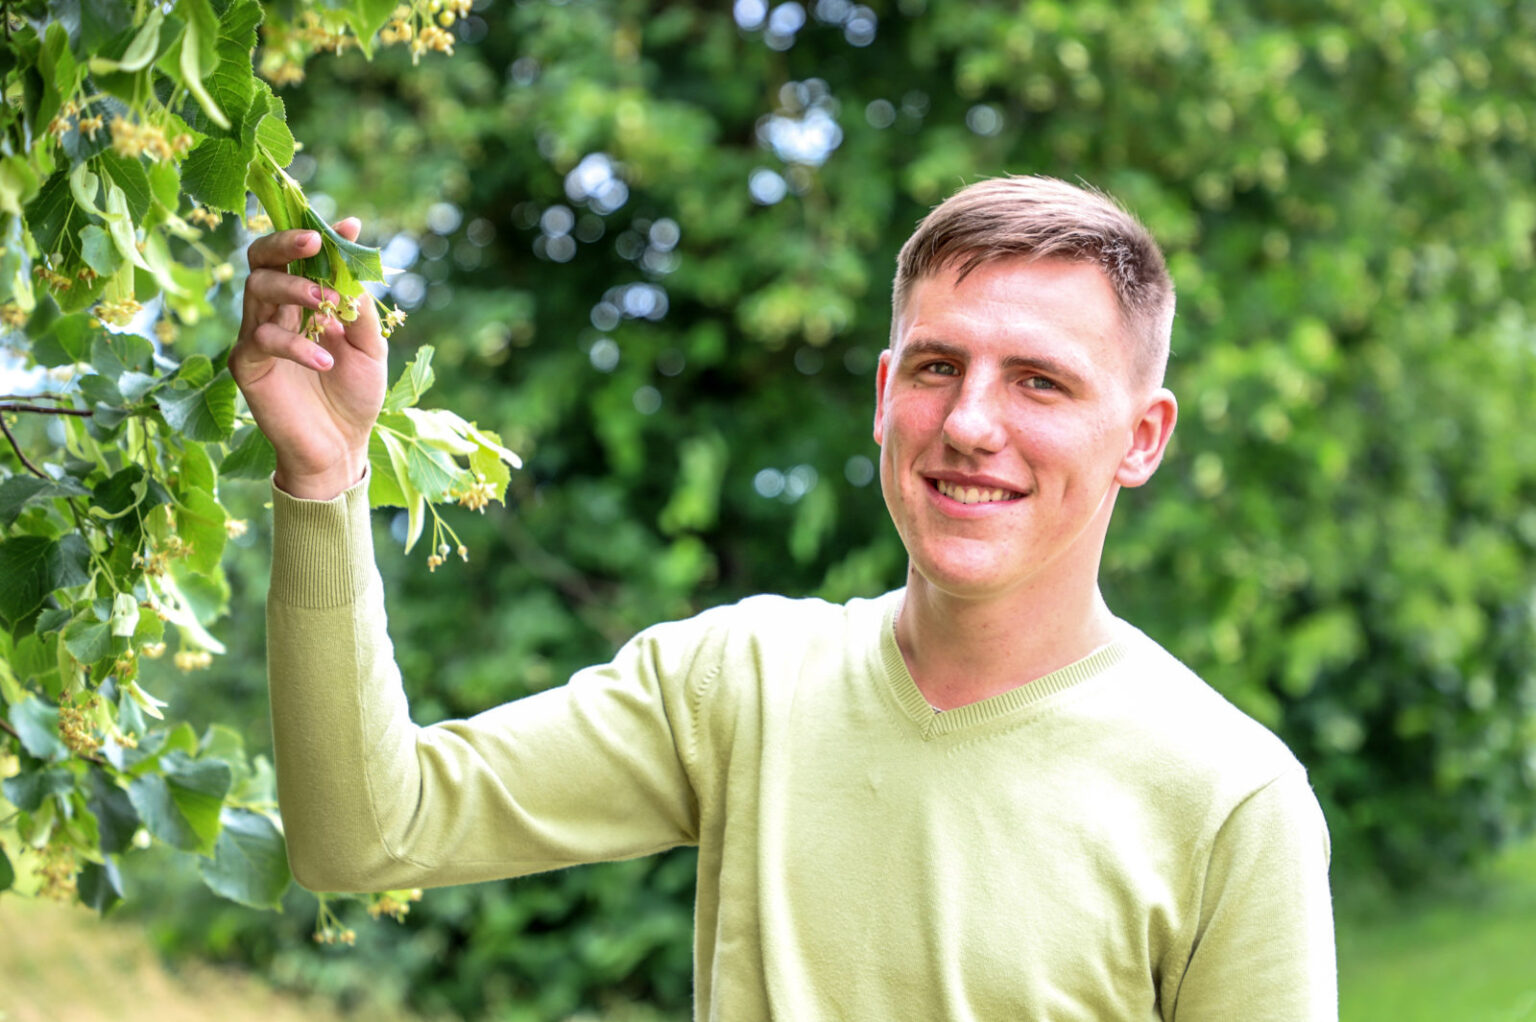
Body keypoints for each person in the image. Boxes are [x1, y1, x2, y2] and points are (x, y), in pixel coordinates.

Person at [234, 175, 1337, 1020]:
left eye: (1040, 380)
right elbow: (364, 833)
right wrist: (325, 478)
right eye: (939, 366)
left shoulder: (1230, 799)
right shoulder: (739, 683)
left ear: (1141, 437)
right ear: (884, 393)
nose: (970, 423)